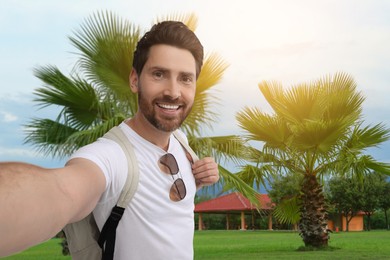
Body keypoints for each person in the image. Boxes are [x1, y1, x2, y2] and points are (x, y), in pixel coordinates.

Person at [0, 21, 219, 259]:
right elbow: (61, 192)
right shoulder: (111, 157)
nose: (173, 91)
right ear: (135, 80)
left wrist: (197, 178)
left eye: (185, 78)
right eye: (159, 74)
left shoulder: (179, 139)